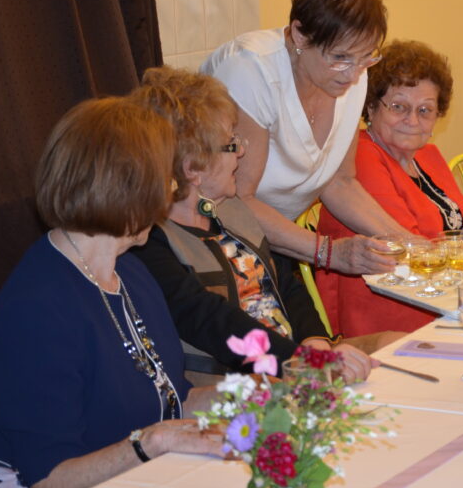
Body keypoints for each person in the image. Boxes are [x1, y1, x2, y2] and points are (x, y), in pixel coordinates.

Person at [0, 98, 223, 488]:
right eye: (163, 179)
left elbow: (172, 398)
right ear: (126, 188)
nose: (171, 191)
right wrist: (152, 442)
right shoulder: (33, 312)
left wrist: (254, 392)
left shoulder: (130, 272)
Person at [129, 67, 382, 383]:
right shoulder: (149, 241)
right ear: (193, 167)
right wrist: (301, 361)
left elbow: (287, 284)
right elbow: (211, 321)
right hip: (239, 382)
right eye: (230, 143)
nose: (242, 151)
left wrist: (314, 340)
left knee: (393, 344)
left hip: (296, 359)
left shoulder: (233, 208)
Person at [201, 0, 404, 277]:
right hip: (212, 242)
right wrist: (328, 252)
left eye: (366, 57)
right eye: (340, 57)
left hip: (277, 238)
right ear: (299, 34)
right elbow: (236, 199)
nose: (353, 74)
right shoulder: (251, 72)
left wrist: (406, 242)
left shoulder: (352, 74)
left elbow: (340, 182)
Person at [317, 41, 463, 336]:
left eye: (425, 110)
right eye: (398, 107)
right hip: (394, 312)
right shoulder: (361, 157)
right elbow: (409, 250)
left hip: (446, 297)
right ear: (371, 106)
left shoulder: (428, 156)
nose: (412, 120)